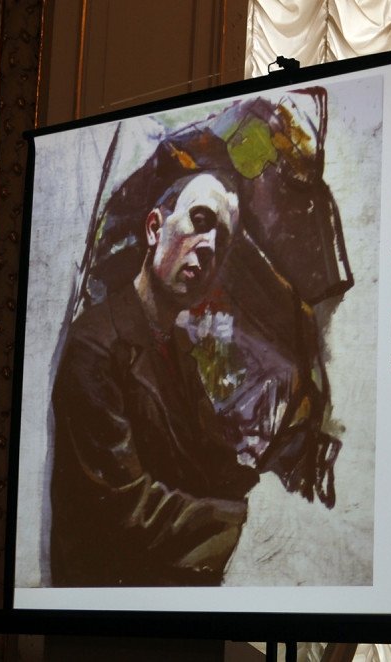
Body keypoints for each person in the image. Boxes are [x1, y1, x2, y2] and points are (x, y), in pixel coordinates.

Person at [49, 172, 259, 587]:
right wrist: (246, 523)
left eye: (221, 239)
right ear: (153, 229)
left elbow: (213, 462)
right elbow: (129, 508)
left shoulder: (176, 346)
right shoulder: (95, 344)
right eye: (200, 220)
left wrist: (273, 503)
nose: (210, 245)